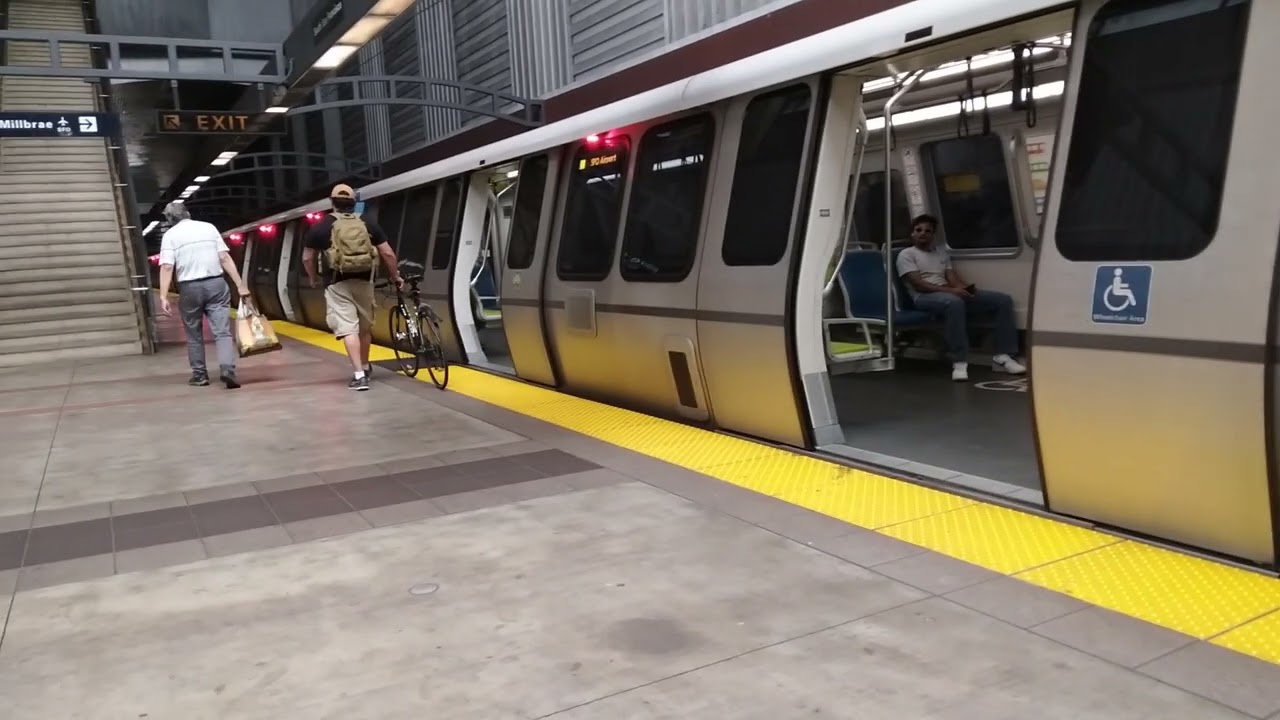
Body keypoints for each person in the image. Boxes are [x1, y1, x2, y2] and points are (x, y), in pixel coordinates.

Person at [895, 214, 1026, 382]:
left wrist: (965, 289)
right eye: (918, 230)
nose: (923, 234)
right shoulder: (906, 255)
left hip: (946, 293)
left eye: (928, 231)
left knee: (1002, 300)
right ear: (912, 234)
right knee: (954, 302)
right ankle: (959, 361)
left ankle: (1004, 354)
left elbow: (952, 278)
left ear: (933, 234)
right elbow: (919, 285)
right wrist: (953, 292)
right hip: (924, 297)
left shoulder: (941, 253)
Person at [302, 184, 402, 391]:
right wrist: (395, 276)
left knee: (349, 328)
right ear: (353, 203)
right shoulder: (368, 224)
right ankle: (365, 366)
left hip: (337, 284)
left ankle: (358, 375)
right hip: (365, 282)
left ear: (332, 203)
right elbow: (388, 254)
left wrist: (313, 278)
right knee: (364, 328)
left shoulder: (321, 227)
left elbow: (307, 258)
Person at [156, 201, 250, 388]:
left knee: (193, 334)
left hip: (189, 288)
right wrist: (240, 285)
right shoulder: (209, 228)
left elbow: (167, 266)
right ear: (187, 213)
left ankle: (200, 376)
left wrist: (163, 296)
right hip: (216, 284)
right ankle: (227, 370)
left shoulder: (170, 236)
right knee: (222, 332)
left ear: (169, 218)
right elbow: (224, 257)